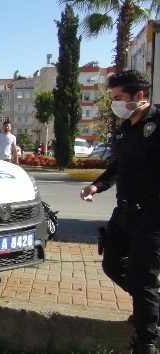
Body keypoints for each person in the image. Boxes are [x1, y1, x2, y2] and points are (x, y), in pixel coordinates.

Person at [79, 70, 160, 354]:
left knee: (142, 276)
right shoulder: (126, 127)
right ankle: (148, 310)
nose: (114, 104)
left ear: (140, 96)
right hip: (125, 213)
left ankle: (146, 340)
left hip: (153, 215)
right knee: (112, 265)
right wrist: (96, 186)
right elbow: (118, 165)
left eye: (118, 98)